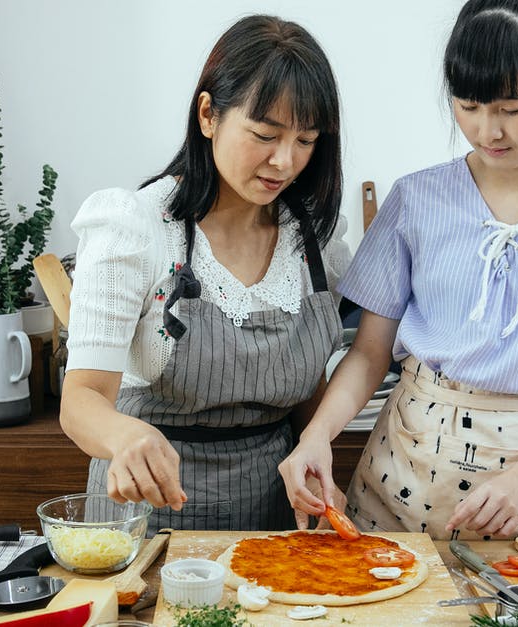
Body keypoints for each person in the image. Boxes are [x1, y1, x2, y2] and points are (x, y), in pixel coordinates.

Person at [279, 0, 518, 540]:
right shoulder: (415, 199)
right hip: (403, 473)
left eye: (513, 107)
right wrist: (318, 434)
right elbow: (369, 353)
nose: (489, 130)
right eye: (468, 105)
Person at [59, 14, 350, 532]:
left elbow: (306, 390)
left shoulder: (314, 242)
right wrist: (125, 438)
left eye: (306, 140)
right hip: (148, 510)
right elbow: (81, 401)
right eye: (265, 134)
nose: (284, 161)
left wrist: (317, 460)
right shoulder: (137, 227)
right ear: (209, 114)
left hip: (274, 512)